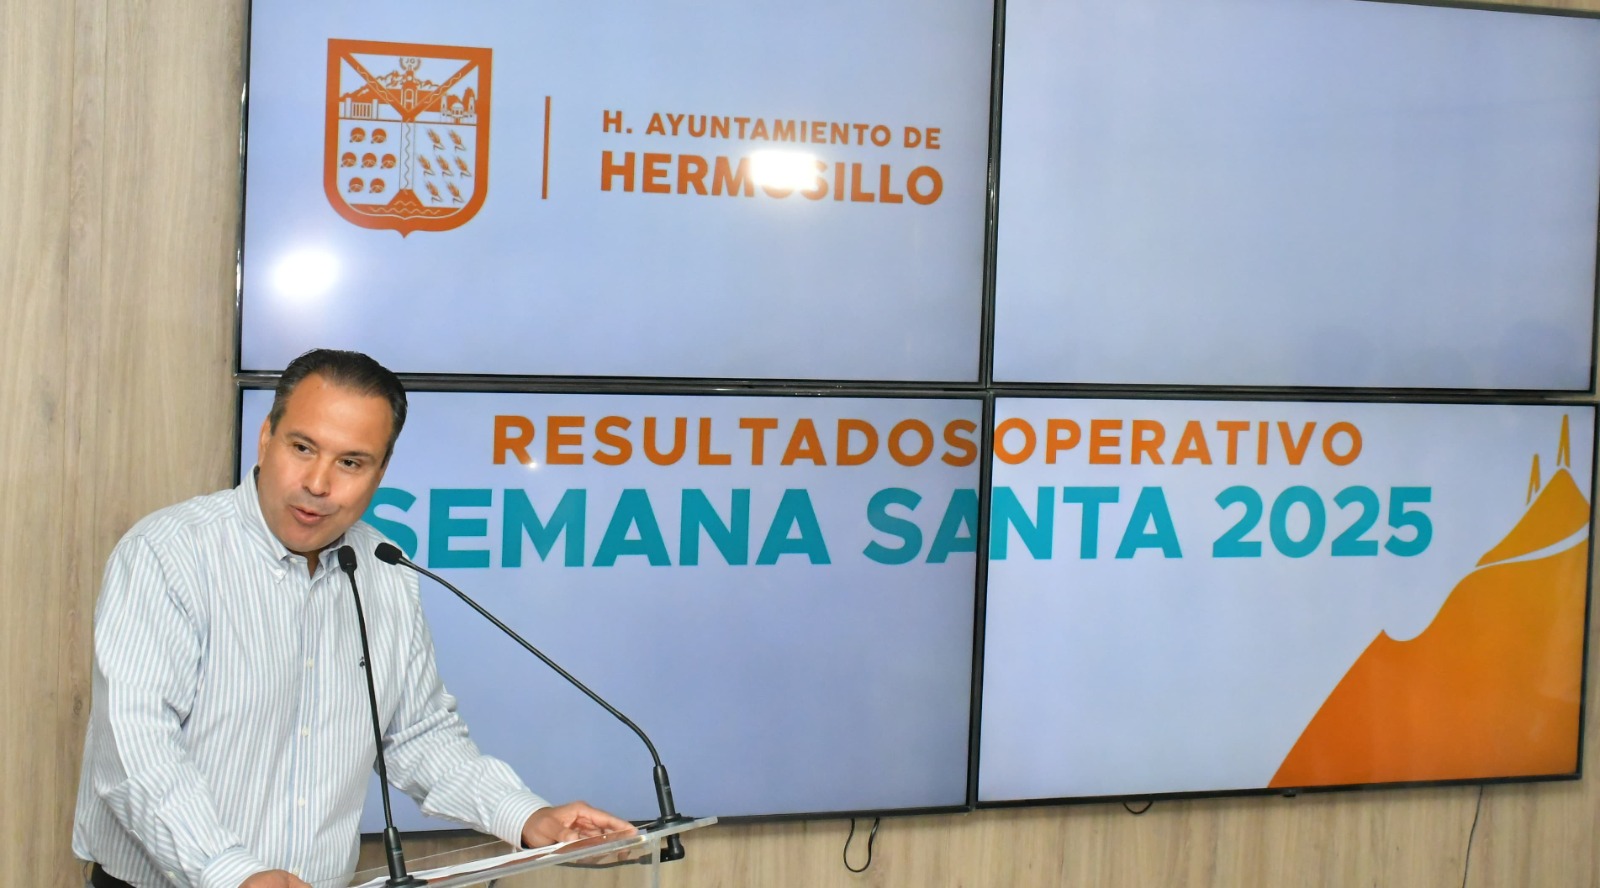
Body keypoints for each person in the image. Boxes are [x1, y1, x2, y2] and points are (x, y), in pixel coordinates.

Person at [73, 349, 632, 888]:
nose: (318, 484)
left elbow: (416, 735)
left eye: (350, 463)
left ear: (380, 471)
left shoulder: (385, 568)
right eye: (302, 447)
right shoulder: (168, 553)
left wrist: (528, 818)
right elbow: (136, 748)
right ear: (266, 438)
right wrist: (231, 873)